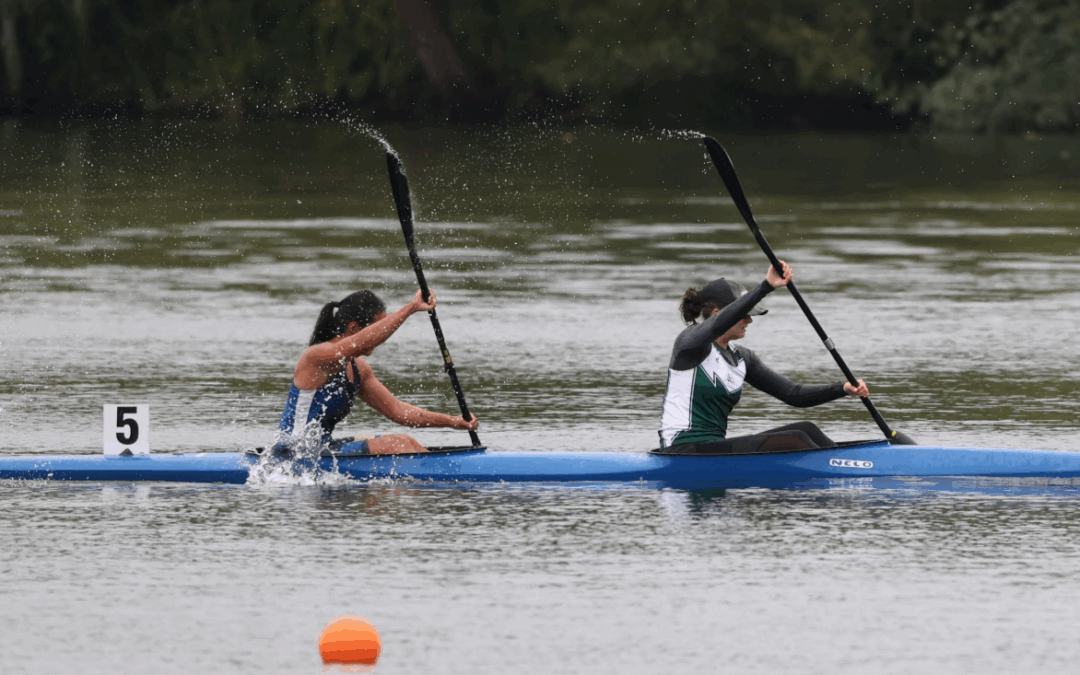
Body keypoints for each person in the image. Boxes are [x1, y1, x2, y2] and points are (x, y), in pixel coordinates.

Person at [657, 261, 869, 454]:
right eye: (745, 314)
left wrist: (841, 389)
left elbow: (792, 394)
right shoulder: (689, 346)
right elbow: (717, 324)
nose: (750, 320)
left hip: (712, 450)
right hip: (681, 451)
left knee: (807, 429)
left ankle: (852, 462)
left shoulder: (742, 358)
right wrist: (765, 286)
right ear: (716, 313)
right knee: (796, 439)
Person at [277, 288, 479, 454]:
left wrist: (453, 421)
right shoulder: (318, 357)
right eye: (378, 326)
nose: (379, 339)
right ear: (355, 328)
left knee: (405, 441)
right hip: (294, 452)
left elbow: (400, 412)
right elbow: (366, 340)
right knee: (398, 444)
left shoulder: (359, 369)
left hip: (321, 450)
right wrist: (410, 308)